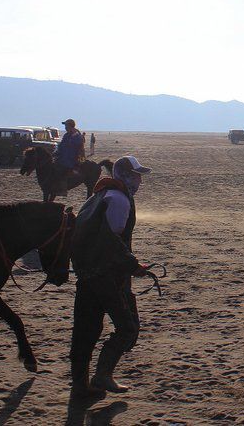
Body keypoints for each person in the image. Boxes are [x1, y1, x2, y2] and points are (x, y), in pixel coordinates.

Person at [68, 156, 151, 397]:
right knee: (128, 328)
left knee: (86, 330)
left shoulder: (100, 195)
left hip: (87, 274)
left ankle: (80, 387)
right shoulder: (119, 199)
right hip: (107, 276)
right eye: (136, 175)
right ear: (124, 175)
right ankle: (103, 375)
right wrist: (133, 265)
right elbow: (111, 240)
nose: (138, 180)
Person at [53, 119, 85, 196]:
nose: (65, 128)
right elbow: (61, 145)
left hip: (71, 159)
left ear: (70, 126)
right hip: (62, 158)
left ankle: (63, 190)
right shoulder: (66, 135)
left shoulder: (77, 136)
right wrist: (56, 152)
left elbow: (79, 147)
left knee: (62, 171)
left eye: (66, 126)